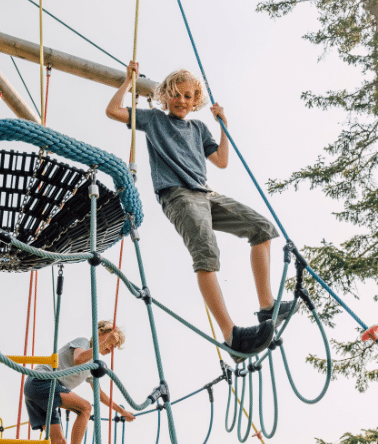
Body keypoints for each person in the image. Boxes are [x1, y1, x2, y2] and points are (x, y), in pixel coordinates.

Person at [105, 62, 295, 363]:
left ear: (196, 101)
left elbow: (221, 161)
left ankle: (267, 305)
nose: (182, 101)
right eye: (176, 95)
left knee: (262, 228)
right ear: (165, 96)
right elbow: (113, 111)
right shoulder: (155, 120)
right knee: (206, 253)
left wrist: (223, 125)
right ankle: (231, 335)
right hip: (178, 195)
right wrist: (128, 81)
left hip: (205, 194)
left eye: (188, 96)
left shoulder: (198, 128)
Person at [24, 321, 136, 444]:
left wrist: (122, 412)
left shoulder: (93, 364)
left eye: (113, 347)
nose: (111, 349)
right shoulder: (84, 342)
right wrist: (104, 343)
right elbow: (78, 359)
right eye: (111, 343)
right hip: (41, 381)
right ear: (100, 333)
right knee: (85, 408)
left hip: (38, 392)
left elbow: (99, 394)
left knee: (59, 441)